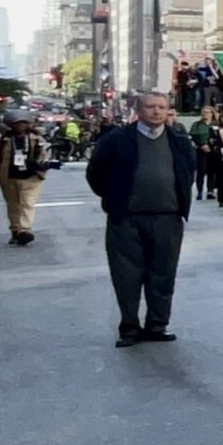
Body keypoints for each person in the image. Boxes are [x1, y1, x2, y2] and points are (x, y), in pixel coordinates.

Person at [85, 94, 198, 348]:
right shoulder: (116, 139)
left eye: (161, 107)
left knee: (163, 273)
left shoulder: (179, 141)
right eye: (150, 106)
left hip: (167, 218)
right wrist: (114, 197)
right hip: (126, 218)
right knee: (126, 274)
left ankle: (157, 324)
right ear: (138, 109)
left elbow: (187, 173)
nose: (156, 112)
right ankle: (129, 327)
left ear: (168, 110)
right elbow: (96, 173)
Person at [0, 112, 58, 245]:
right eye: (17, 124)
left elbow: (45, 155)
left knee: (27, 203)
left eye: (23, 123)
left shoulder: (37, 140)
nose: (20, 126)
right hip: (8, 176)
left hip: (31, 176)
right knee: (13, 205)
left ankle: (25, 230)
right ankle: (15, 230)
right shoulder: (3, 140)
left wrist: (43, 164)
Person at [188, 105, 217, 202]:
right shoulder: (197, 125)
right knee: (201, 171)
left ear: (212, 114)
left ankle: (210, 190)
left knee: (212, 171)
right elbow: (192, 137)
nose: (205, 114)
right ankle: (199, 190)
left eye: (207, 112)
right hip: (201, 150)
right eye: (203, 112)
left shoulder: (215, 124)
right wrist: (201, 145)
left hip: (213, 151)